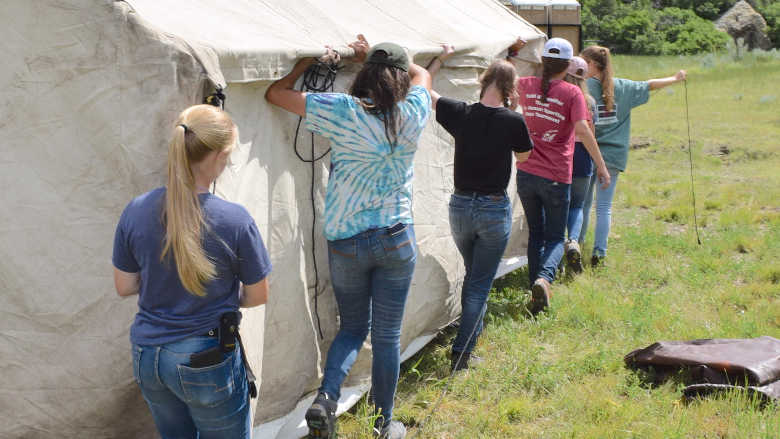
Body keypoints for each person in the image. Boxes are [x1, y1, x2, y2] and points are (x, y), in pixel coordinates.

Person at [265, 35, 432, 439]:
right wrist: (372, 57)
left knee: (353, 327)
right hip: (396, 237)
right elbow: (423, 73)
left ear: (368, 76)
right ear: (399, 79)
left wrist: (306, 63)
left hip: (347, 239)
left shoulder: (342, 110)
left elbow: (276, 93)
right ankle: (382, 424)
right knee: (387, 335)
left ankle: (325, 400)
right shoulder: (413, 111)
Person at [112, 104, 272, 438]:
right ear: (218, 156)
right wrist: (221, 294)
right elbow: (257, 296)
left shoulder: (136, 210)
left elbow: (125, 286)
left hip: (148, 356)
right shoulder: (235, 220)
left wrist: (163, 282)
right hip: (206, 359)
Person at [427, 44, 533, 370]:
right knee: (478, 284)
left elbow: (425, 89)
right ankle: (462, 353)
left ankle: (472, 336)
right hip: (492, 209)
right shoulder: (513, 121)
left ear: (483, 80)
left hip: (459, 207)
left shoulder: (460, 112)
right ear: (510, 89)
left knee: (475, 276)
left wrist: (440, 59)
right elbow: (524, 157)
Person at [514, 38, 610, 314]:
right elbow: (582, 129)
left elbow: (504, 78)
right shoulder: (572, 93)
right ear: (568, 65)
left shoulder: (525, 85)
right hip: (556, 176)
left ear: (543, 61)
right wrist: (601, 166)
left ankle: (535, 290)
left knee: (536, 234)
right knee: (556, 237)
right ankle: (544, 279)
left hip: (526, 173)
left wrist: (512, 54)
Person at [579, 45, 687, 266]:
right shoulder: (624, 87)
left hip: (587, 154)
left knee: (582, 204)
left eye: (583, 63)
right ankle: (599, 254)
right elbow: (649, 85)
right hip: (614, 157)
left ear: (592, 65)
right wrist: (676, 78)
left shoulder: (583, 88)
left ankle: (575, 247)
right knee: (604, 208)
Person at [562, 56, 597, 274]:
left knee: (557, 207)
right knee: (577, 205)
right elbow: (591, 134)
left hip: (560, 156)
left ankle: (554, 262)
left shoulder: (556, 95)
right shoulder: (590, 101)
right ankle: (573, 241)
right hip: (583, 158)